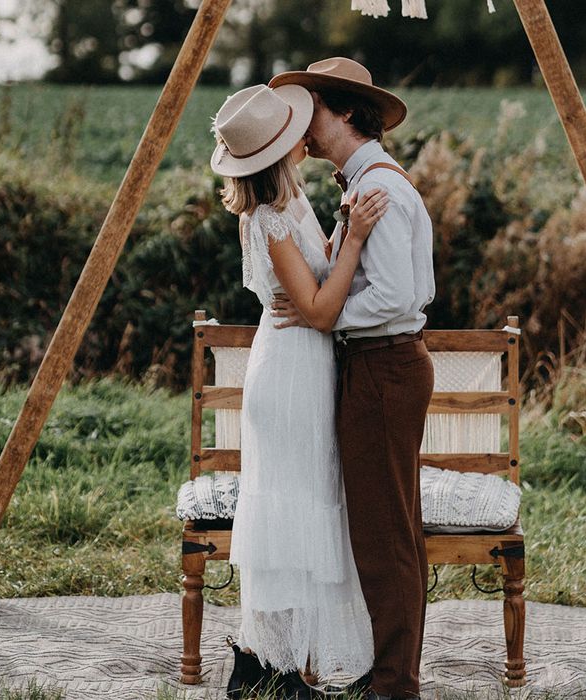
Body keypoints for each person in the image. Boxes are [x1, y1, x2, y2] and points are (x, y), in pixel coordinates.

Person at [210, 83, 389, 699]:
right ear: (279, 150)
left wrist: (340, 236)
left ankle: (260, 660)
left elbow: (315, 283)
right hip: (290, 372)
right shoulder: (271, 218)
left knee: (299, 507)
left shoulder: (292, 204)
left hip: (303, 365)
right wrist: (358, 241)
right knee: (289, 512)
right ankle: (274, 668)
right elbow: (316, 308)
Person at [268, 58, 436, 700]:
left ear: (340, 111)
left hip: (384, 365)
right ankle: (394, 672)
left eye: (305, 108)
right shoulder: (363, 180)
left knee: (384, 532)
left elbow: (398, 297)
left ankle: (395, 684)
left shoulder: (378, 189)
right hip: (379, 364)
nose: (295, 124)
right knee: (387, 527)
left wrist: (321, 318)